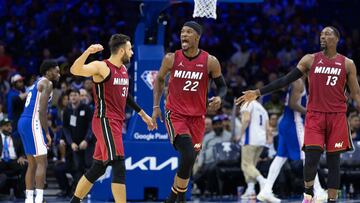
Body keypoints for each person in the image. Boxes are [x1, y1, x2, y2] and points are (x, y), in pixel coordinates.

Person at [236, 26, 360, 203]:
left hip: (337, 117)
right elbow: (285, 79)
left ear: (337, 39)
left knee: (334, 163)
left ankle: (332, 200)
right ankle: (308, 194)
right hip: (315, 116)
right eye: (321, 34)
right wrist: (258, 92)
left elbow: (356, 93)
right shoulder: (310, 60)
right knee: (310, 158)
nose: (323, 37)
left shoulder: (347, 63)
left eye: (327, 34)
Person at [69, 34, 155, 203]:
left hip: (115, 122)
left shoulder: (123, 70)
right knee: (119, 164)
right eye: (130, 49)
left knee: (98, 168)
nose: (131, 53)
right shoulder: (102, 67)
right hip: (104, 120)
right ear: (122, 50)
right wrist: (88, 52)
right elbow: (75, 70)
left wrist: (143, 115)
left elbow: (126, 96)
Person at [152, 21, 227, 203]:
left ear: (197, 37)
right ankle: (176, 199)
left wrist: (219, 98)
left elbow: (223, 87)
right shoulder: (171, 58)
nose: (183, 35)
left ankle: (175, 199)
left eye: (188, 32)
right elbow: (159, 80)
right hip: (175, 115)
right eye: (182, 32)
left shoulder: (210, 61)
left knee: (189, 160)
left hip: (198, 119)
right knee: (186, 154)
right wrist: (156, 107)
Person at [257, 78, 327, 202]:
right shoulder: (299, 82)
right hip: (295, 124)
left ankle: (266, 190)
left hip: (287, 123)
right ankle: (318, 191)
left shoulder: (300, 82)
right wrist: (310, 112)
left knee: (280, 157)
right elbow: (293, 104)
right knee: (308, 156)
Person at [17, 60, 60, 203]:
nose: (58, 74)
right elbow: (42, 111)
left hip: (23, 121)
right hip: (32, 121)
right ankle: (39, 199)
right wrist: (47, 133)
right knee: (42, 162)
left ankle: (29, 200)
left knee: (33, 163)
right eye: (56, 71)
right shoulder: (48, 83)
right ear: (48, 71)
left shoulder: (38, 82)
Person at [234, 99, 268, 200]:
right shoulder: (262, 108)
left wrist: (240, 134)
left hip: (250, 139)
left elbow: (246, 119)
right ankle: (250, 189)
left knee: (246, 165)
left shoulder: (247, 103)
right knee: (252, 166)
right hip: (261, 140)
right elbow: (267, 126)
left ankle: (263, 181)